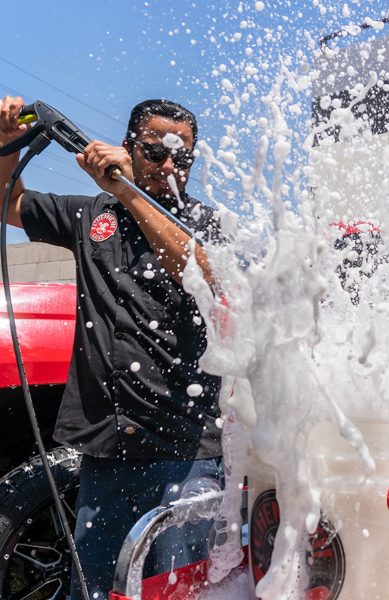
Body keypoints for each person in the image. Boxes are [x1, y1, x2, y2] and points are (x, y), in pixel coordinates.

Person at [0, 95, 223, 600]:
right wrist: (6, 142)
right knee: (95, 592)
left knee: (176, 593)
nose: (169, 166)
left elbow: (204, 273)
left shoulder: (202, 223)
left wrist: (126, 193)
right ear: (128, 147)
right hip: (106, 454)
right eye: (155, 151)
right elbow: (8, 205)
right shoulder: (89, 216)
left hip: (183, 456)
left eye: (181, 157)